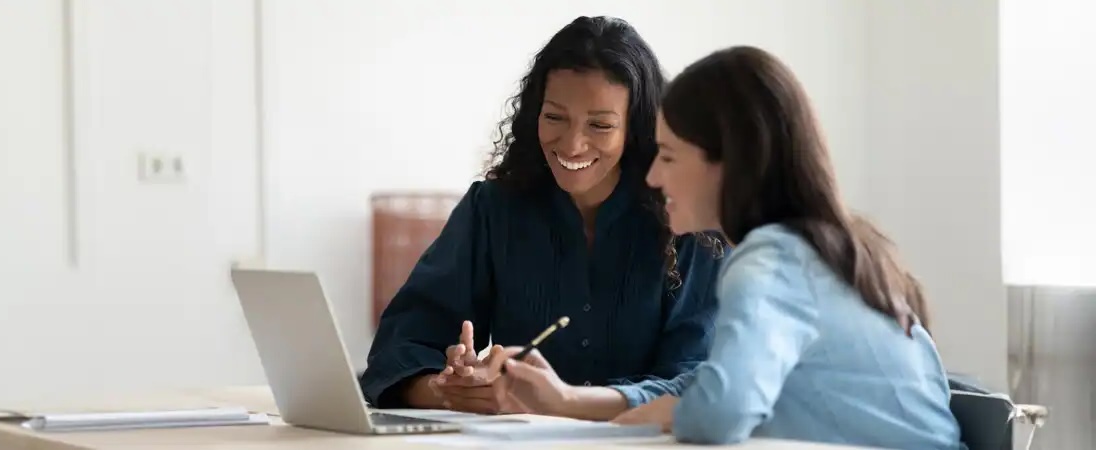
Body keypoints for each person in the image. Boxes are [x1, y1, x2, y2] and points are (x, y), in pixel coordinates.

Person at [505, 45, 959, 448]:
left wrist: (674, 415)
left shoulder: (771, 260)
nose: (652, 177)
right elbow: (710, 387)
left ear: (728, 162)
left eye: (668, 156)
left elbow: (719, 411)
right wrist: (566, 399)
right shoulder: (835, 249)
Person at [357, 16, 726, 421]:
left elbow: (697, 380)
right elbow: (398, 348)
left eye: (600, 125)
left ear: (636, 130)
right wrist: (448, 390)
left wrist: (568, 402)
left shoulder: (687, 221)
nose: (571, 143)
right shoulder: (493, 209)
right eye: (554, 117)